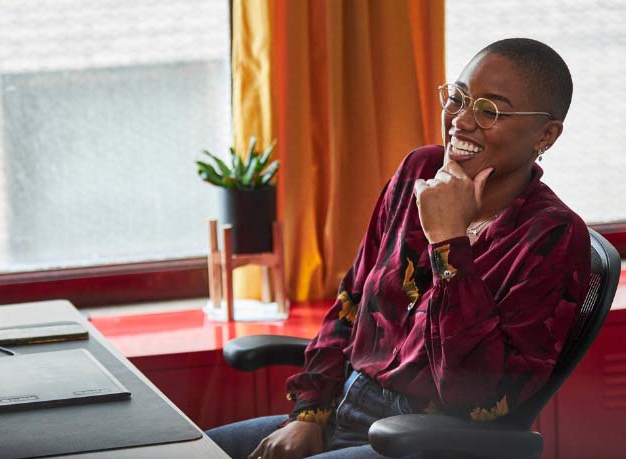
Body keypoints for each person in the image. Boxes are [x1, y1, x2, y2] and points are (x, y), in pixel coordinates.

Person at [207, 37, 590, 459]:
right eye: (458, 98)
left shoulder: (552, 235)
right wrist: (309, 415)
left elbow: (476, 393)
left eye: (489, 110)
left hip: (428, 441)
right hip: (343, 408)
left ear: (546, 135)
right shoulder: (419, 171)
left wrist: (448, 242)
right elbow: (350, 303)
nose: (461, 121)